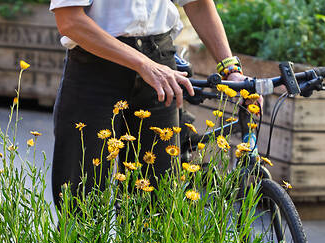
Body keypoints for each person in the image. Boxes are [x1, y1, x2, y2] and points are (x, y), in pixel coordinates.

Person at [49, 0, 253, 204]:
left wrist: (231, 69)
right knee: (81, 202)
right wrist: (143, 64)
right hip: (96, 66)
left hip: (160, 63)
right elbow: (70, 20)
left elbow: (197, 4)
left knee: (156, 203)